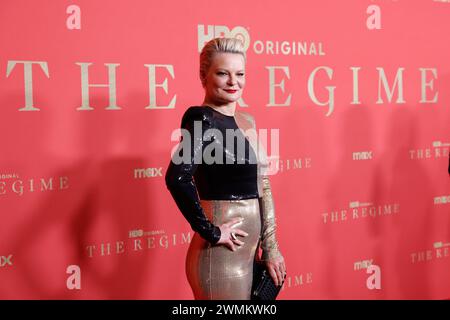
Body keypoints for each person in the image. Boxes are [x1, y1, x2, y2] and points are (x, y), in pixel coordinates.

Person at [165, 37, 286, 300]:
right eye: (223, 73)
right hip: (220, 256)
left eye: (240, 74)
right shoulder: (202, 118)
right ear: (203, 76)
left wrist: (271, 245)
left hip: (249, 250)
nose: (234, 82)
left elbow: (262, 182)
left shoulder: (246, 120)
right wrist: (212, 231)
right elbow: (177, 178)